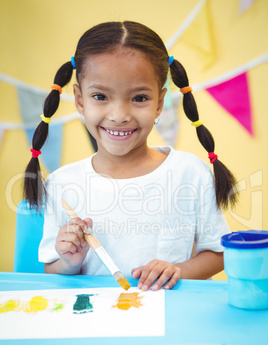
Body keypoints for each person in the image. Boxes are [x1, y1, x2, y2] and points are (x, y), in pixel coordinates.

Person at [24, 21, 238, 291]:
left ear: (160, 103)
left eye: (139, 98)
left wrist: (178, 271)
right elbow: (52, 268)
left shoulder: (190, 173)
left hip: (171, 321)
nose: (119, 115)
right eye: (100, 96)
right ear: (79, 100)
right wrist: (68, 261)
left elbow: (218, 253)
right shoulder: (62, 183)